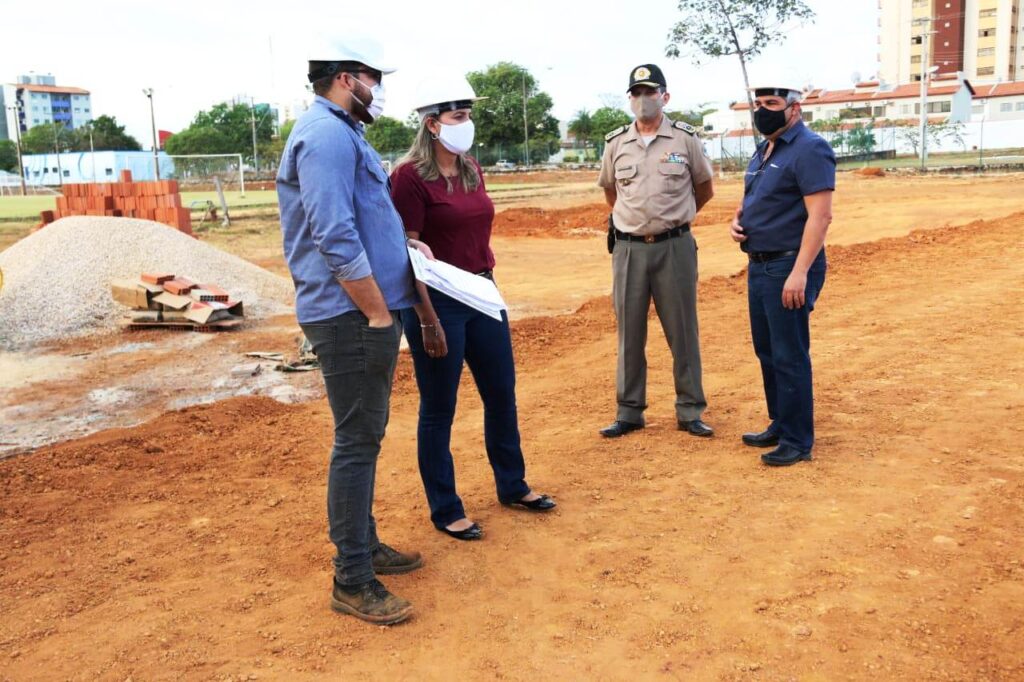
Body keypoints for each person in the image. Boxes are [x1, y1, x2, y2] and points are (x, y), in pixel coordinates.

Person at [277, 40, 435, 625]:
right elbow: (333, 233)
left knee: (364, 434)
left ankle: (363, 546)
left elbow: (364, 215)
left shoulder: (345, 132)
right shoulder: (323, 136)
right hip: (348, 315)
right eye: (374, 78)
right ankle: (351, 578)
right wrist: (373, 310)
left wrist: (402, 242)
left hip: (360, 311)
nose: (379, 89)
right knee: (357, 440)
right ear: (347, 78)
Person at [390, 76, 556, 542]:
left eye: (468, 115)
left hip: (482, 291)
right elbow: (407, 249)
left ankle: (512, 484)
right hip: (437, 300)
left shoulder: (470, 169)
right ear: (432, 124)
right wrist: (425, 318)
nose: (468, 124)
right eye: (458, 117)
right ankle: (446, 508)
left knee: (501, 392)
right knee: (439, 406)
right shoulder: (408, 177)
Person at [596, 64, 716, 439]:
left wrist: (675, 219)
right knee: (629, 334)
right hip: (629, 250)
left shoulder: (684, 139)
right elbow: (610, 192)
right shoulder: (616, 143)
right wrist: (633, 221)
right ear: (629, 99)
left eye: (650, 92)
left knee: (683, 331)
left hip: (674, 247)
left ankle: (690, 408)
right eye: (636, 93)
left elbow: (704, 187)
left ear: (665, 96)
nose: (643, 99)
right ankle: (629, 411)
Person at [730, 83, 835, 467]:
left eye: (771, 103)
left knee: (790, 353)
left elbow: (820, 216)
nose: (763, 110)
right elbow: (756, 199)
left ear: (794, 109)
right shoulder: (765, 148)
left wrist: (799, 272)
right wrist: (737, 221)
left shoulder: (810, 149)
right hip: (759, 264)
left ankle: (797, 440)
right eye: (758, 104)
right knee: (768, 350)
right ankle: (780, 421)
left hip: (788, 266)